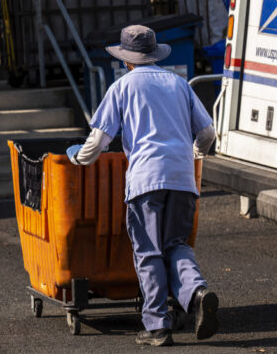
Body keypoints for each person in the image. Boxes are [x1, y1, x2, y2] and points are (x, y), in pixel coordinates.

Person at [66, 25, 218, 346]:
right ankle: (197, 292)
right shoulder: (179, 84)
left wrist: (77, 159)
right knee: (177, 245)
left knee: (148, 252)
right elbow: (207, 134)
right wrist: (192, 155)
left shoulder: (122, 87)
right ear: (154, 55)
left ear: (126, 61)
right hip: (182, 178)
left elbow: (99, 141)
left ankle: (157, 327)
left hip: (146, 180)